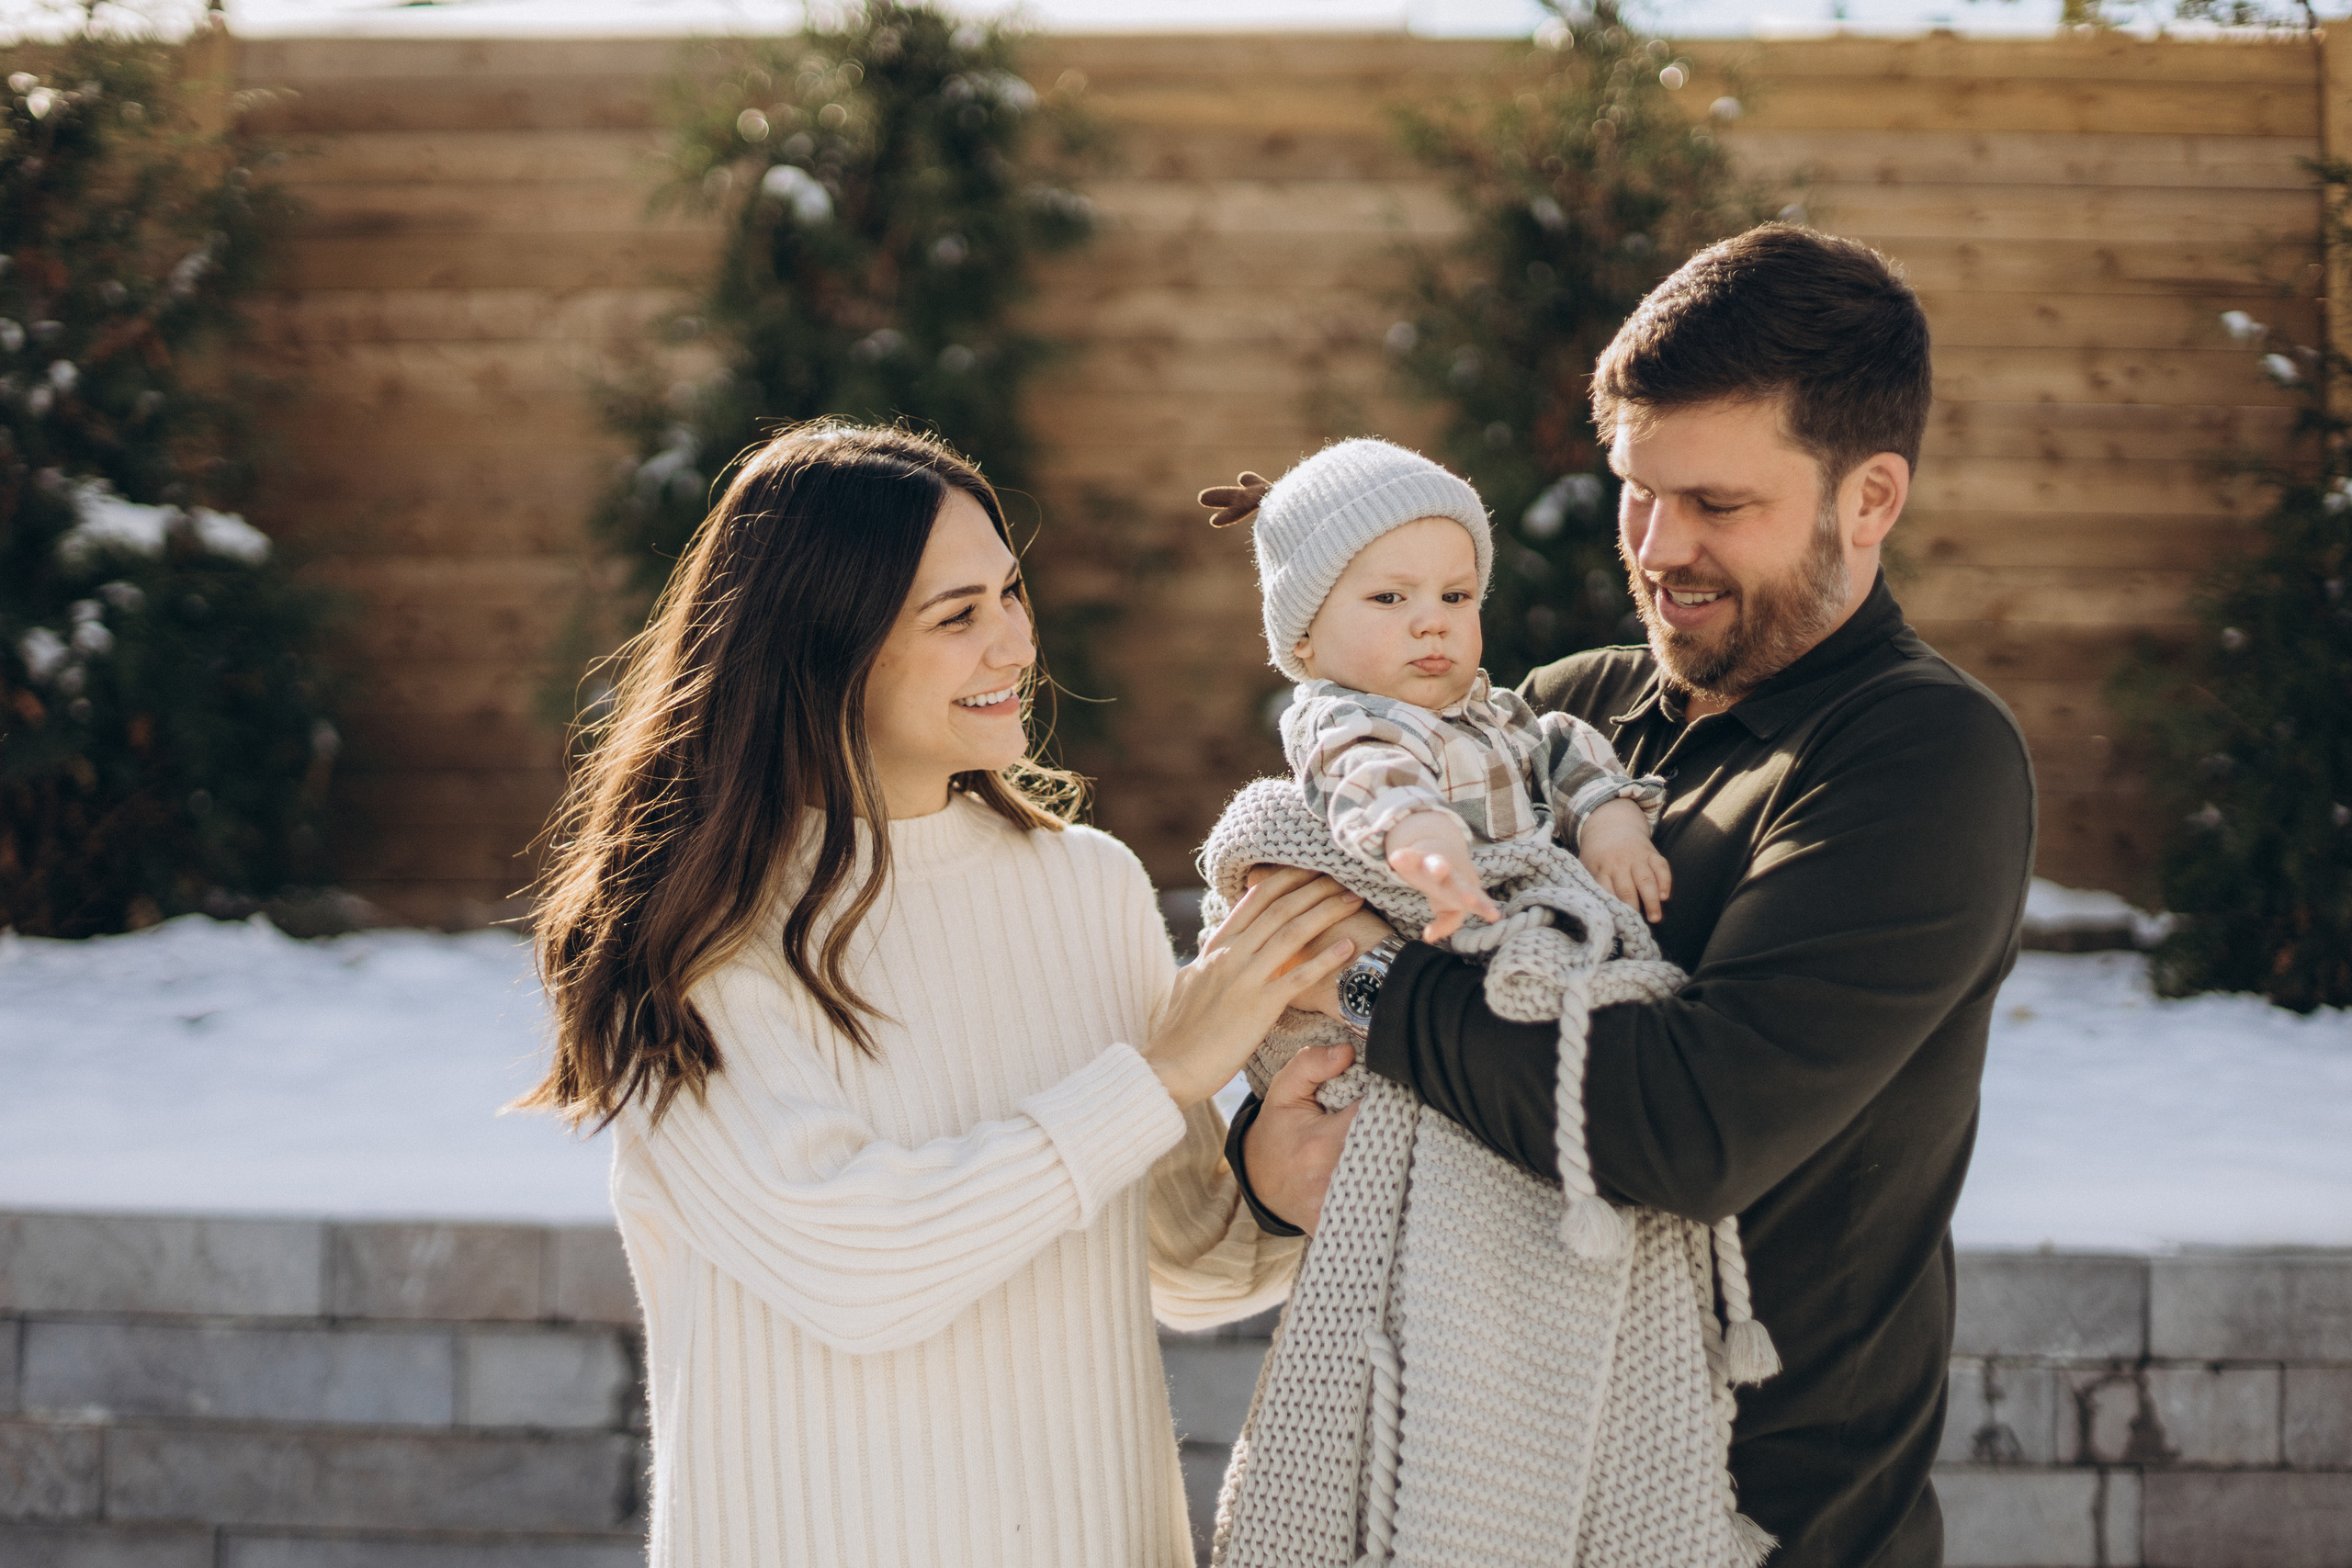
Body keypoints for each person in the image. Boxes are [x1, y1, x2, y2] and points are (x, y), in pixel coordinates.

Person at [1233, 225, 2038, 1567]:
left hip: (1769, 1521)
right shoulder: (1563, 712)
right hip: (1485, 1478)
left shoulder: (1920, 755)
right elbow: (1355, 1031)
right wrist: (1268, 1157)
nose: (1659, 548)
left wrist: (1367, 976)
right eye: (1635, 490)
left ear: (1871, 497)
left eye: (1718, 504)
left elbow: (1686, 1120)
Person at [518, 423, 1362, 1568]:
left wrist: (1268, 1186)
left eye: (1010, 593)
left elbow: (1169, 1264)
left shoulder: (1087, 887)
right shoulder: (696, 939)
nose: (1013, 641)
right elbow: (856, 1267)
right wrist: (1163, 1074)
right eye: (955, 615)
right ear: (824, 649)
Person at [1201, 438, 1672, 942]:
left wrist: (1613, 831)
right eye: (1389, 597)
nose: (1433, 622)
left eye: (1455, 596)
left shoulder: (1498, 717)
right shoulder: (1347, 722)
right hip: (1436, 936)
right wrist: (1424, 839)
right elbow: (1372, 776)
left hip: (1532, 913)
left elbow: (1566, 755)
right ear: (1303, 636)